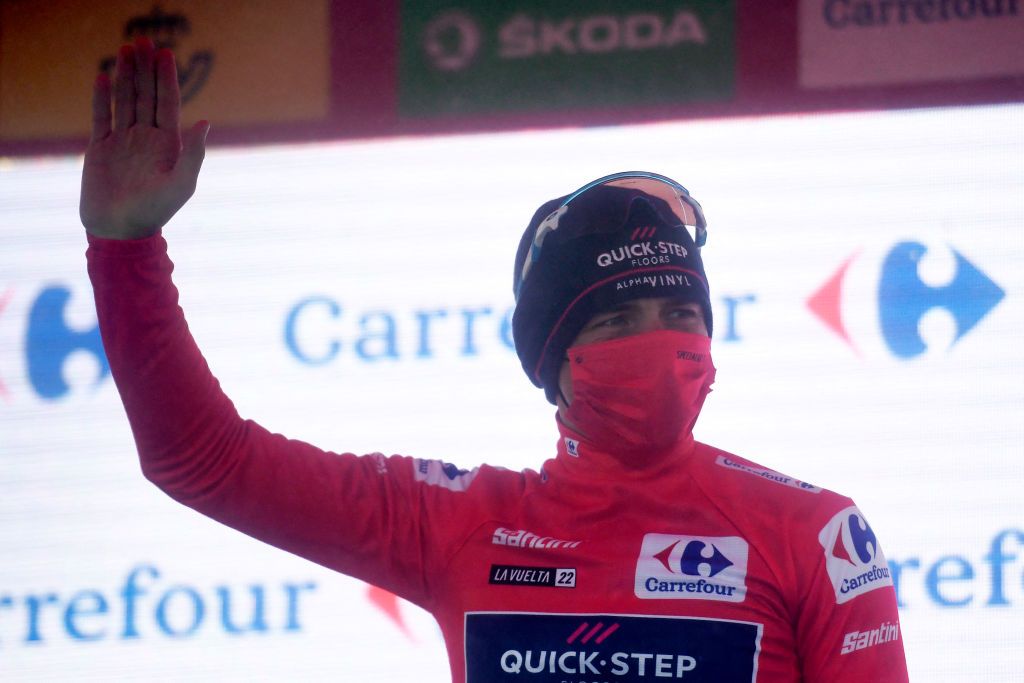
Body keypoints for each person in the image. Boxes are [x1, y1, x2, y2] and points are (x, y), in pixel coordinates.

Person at [81, 38, 910, 682]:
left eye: (682, 314)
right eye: (620, 316)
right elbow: (201, 458)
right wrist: (125, 248)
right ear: (553, 358)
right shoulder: (459, 522)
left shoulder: (817, 534)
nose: (660, 341)